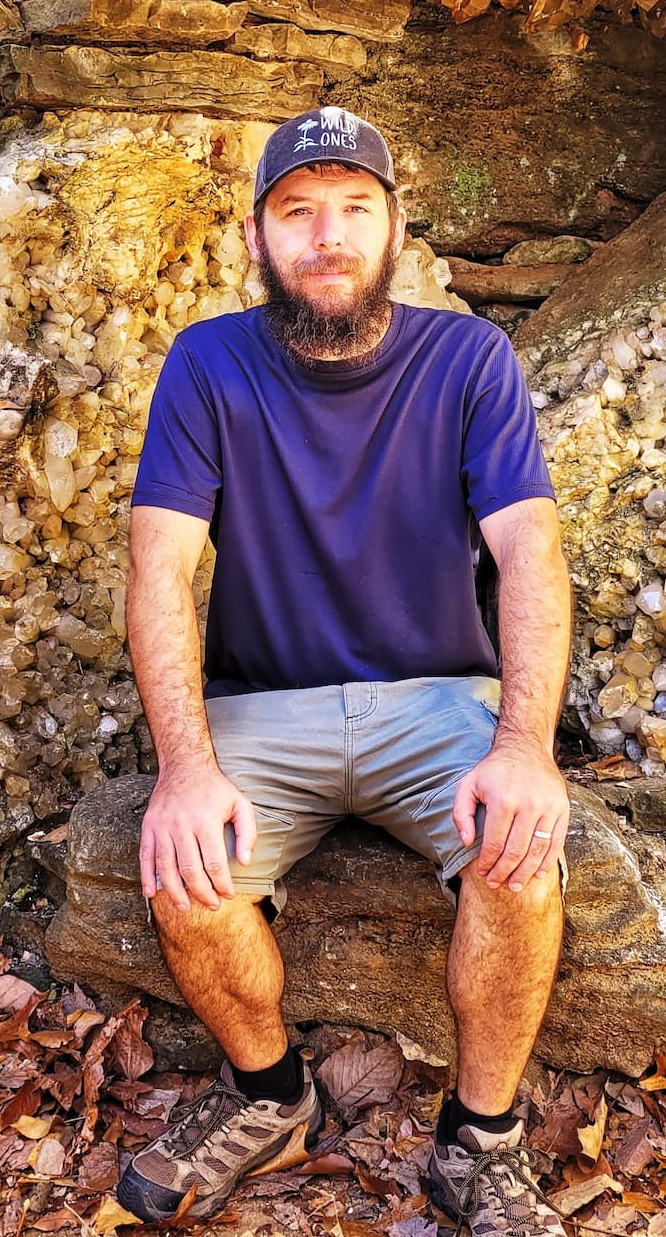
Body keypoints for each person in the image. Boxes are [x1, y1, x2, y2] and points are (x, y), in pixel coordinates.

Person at [116, 105, 575, 1237]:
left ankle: (481, 1141)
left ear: (396, 229)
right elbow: (158, 565)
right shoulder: (209, 363)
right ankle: (271, 1097)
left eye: (354, 211)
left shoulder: (469, 358)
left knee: (520, 855)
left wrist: (525, 751)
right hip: (265, 707)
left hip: (439, 701)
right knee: (184, 873)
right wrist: (183, 768)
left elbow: (531, 548)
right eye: (298, 212)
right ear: (258, 236)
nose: (328, 237)